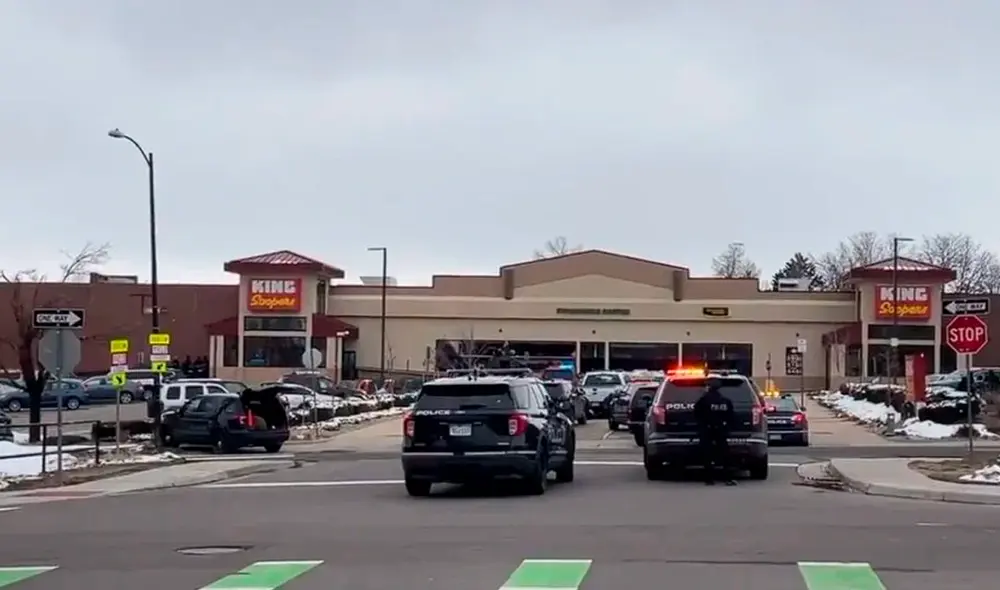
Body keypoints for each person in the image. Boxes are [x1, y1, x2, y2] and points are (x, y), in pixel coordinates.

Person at [694, 376, 736, 486]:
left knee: (707, 454)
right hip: (721, 430)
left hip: (707, 430)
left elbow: (696, 413)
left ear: (709, 387)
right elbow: (731, 416)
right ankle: (728, 478)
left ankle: (709, 479)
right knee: (725, 454)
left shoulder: (703, 400)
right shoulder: (725, 401)